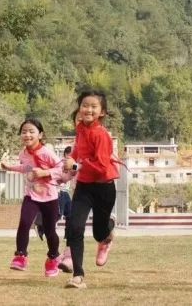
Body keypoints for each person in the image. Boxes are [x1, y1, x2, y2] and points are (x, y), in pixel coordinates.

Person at [62, 90, 120, 289]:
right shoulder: (80, 129)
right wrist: (70, 162)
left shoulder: (101, 135)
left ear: (102, 112)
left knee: (98, 233)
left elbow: (102, 165)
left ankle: (108, 233)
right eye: (85, 105)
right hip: (84, 187)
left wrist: (76, 166)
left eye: (94, 106)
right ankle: (78, 276)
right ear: (80, 109)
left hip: (104, 187)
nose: (88, 109)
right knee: (75, 227)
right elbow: (78, 150)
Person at [2, 118, 72, 277]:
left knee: (49, 231)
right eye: (24, 131)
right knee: (24, 223)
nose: (27, 134)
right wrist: (10, 167)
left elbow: (61, 167)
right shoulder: (23, 153)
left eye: (31, 131)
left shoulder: (47, 152)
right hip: (31, 195)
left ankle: (53, 258)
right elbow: (26, 167)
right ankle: (20, 256)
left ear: (40, 135)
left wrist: (45, 173)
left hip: (49, 197)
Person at [58, 146, 73, 224]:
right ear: (66, 154)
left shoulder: (72, 163)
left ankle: (68, 233)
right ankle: (42, 227)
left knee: (70, 213)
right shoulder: (61, 163)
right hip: (59, 192)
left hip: (66, 192)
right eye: (71, 155)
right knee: (58, 214)